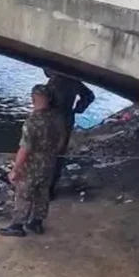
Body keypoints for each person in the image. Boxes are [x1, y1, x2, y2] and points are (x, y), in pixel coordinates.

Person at [1, 84, 67, 237]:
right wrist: (52, 153)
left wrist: (15, 169)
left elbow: (25, 149)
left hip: (32, 165)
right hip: (49, 163)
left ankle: (17, 225)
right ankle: (37, 223)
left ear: (33, 99)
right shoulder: (57, 118)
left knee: (24, 193)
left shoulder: (32, 122)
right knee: (43, 192)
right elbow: (62, 139)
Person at [44, 69, 95, 198]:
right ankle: (50, 188)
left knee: (47, 153)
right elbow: (89, 96)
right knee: (58, 154)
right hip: (66, 119)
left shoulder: (54, 83)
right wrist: (78, 109)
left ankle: (46, 188)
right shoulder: (74, 80)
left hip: (52, 120)